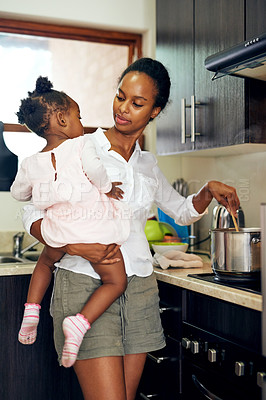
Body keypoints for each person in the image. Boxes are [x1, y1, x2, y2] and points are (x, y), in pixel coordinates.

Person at [22, 58, 240, 400]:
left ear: (155, 111)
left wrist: (208, 191)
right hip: (83, 284)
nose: (123, 109)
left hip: (139, 288)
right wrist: (78, 247)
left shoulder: (148, 163)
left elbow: (182, 213)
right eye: (120, 96)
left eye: (137, 103)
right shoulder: (80, 147)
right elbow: (31, 212)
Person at [11, 76, 131, 368]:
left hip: (57, 231)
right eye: (78, 116)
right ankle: (80, 323)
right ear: (63, 119)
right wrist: (107, 188)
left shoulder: (29, 162)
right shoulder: (82, 145)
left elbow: (18, 193)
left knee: (44, 264)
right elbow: (96, 170)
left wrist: (37, 186)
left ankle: (31, 310)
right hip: (92, 229)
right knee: (116, 281)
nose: (81, 122)